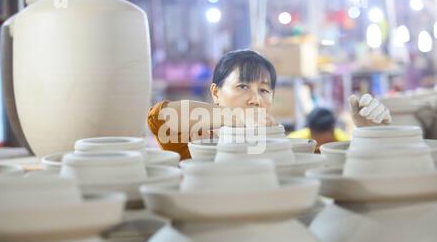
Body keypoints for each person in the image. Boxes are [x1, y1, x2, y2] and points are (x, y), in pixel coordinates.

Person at [147, 49, 391, 160]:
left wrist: (369, 134)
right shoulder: (192, 146)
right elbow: (160, 116)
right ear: (216, 93)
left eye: (264, 90)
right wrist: (239, 118)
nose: (255, 99)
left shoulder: (290, 151)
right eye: (243, 86)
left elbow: (348, 169)